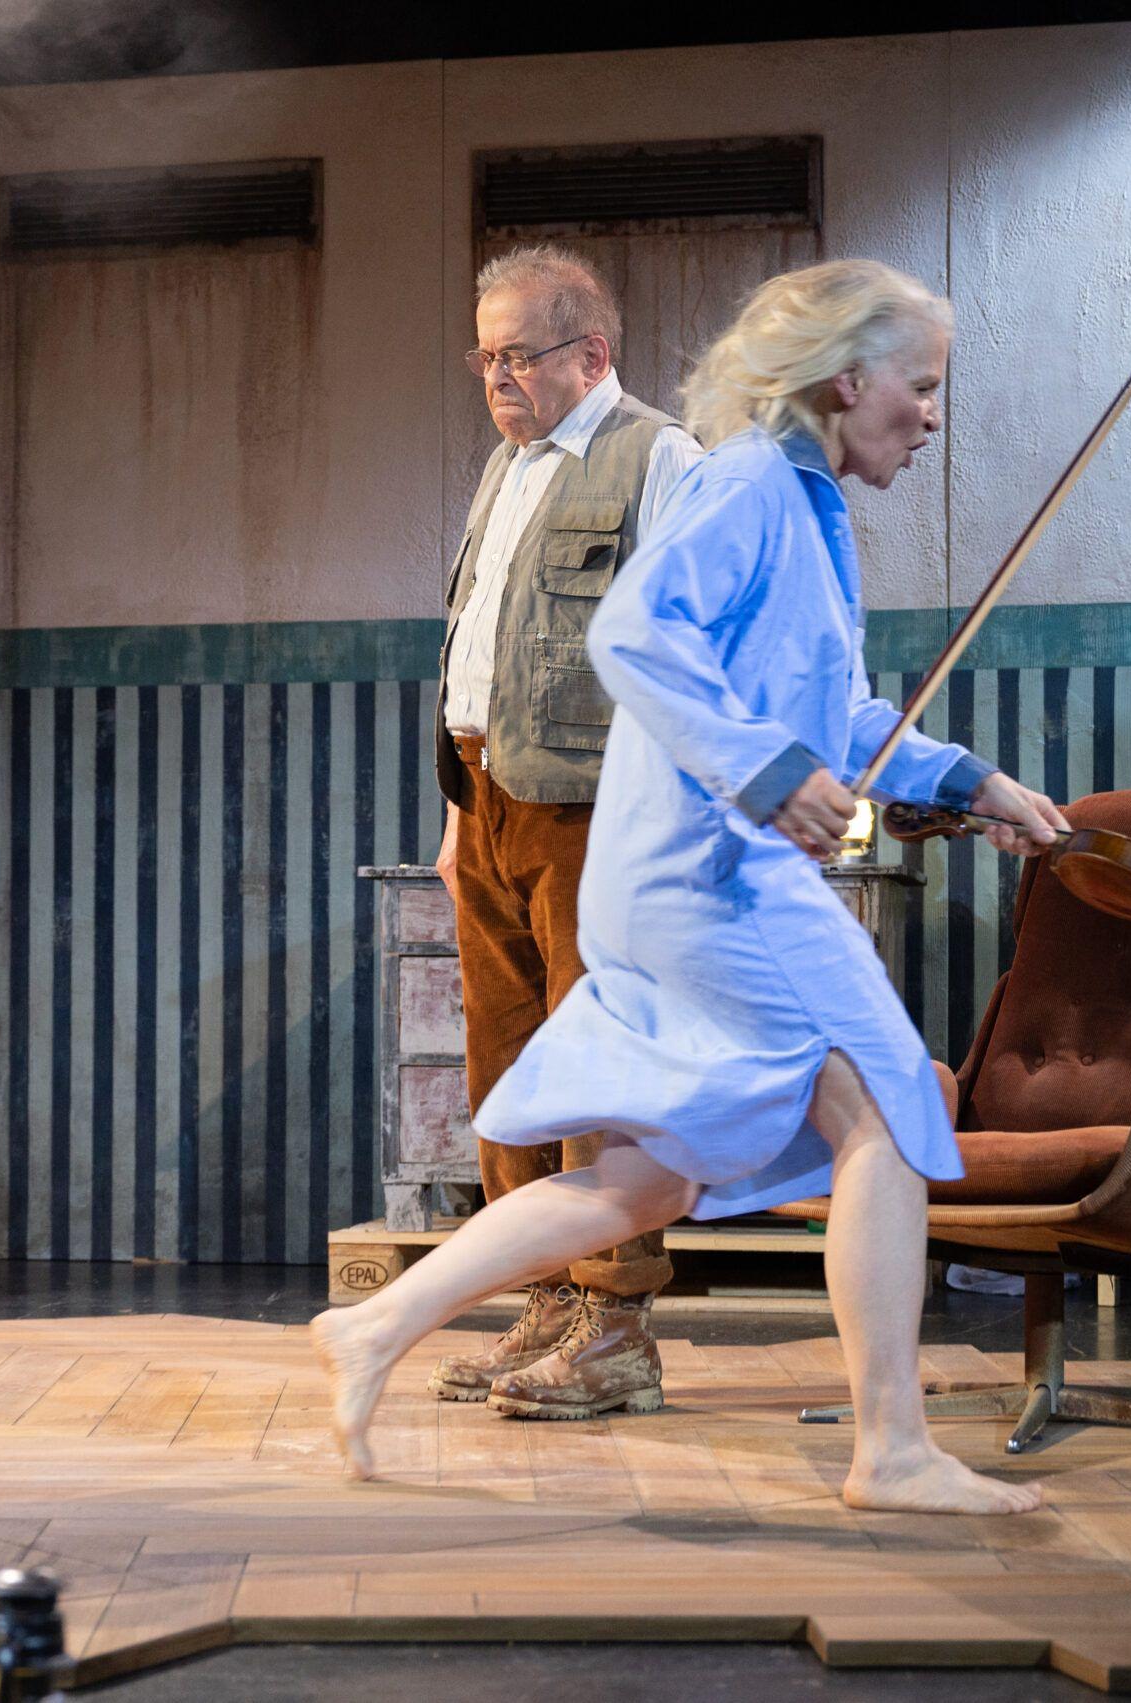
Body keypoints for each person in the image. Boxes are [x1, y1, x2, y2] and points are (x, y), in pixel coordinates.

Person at [316, 261, 1072, 1515]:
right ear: (848, 377)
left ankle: (380, 1323)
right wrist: (767, 768)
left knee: (651, 1173)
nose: (933, 417)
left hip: (674, 873)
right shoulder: (749, 484)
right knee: (885, 1110)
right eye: (922, 386)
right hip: (710, 875)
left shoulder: (804, 504)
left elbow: (836, 717)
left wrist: (975, 779)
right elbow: (630, 635)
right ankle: (890, 1451)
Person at [429, 244, 702, 1421]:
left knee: (598, 1063)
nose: (496, 377)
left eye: (517, 355)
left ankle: (616, 1322)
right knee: (510, 1067)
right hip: (488, 799)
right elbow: (477, 653)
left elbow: (692, 640)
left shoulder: (660, 458)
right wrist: (450, 812)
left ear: (591, 353)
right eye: (484, 356)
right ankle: (540, 1296)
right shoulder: (506, 467)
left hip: (598, 810)